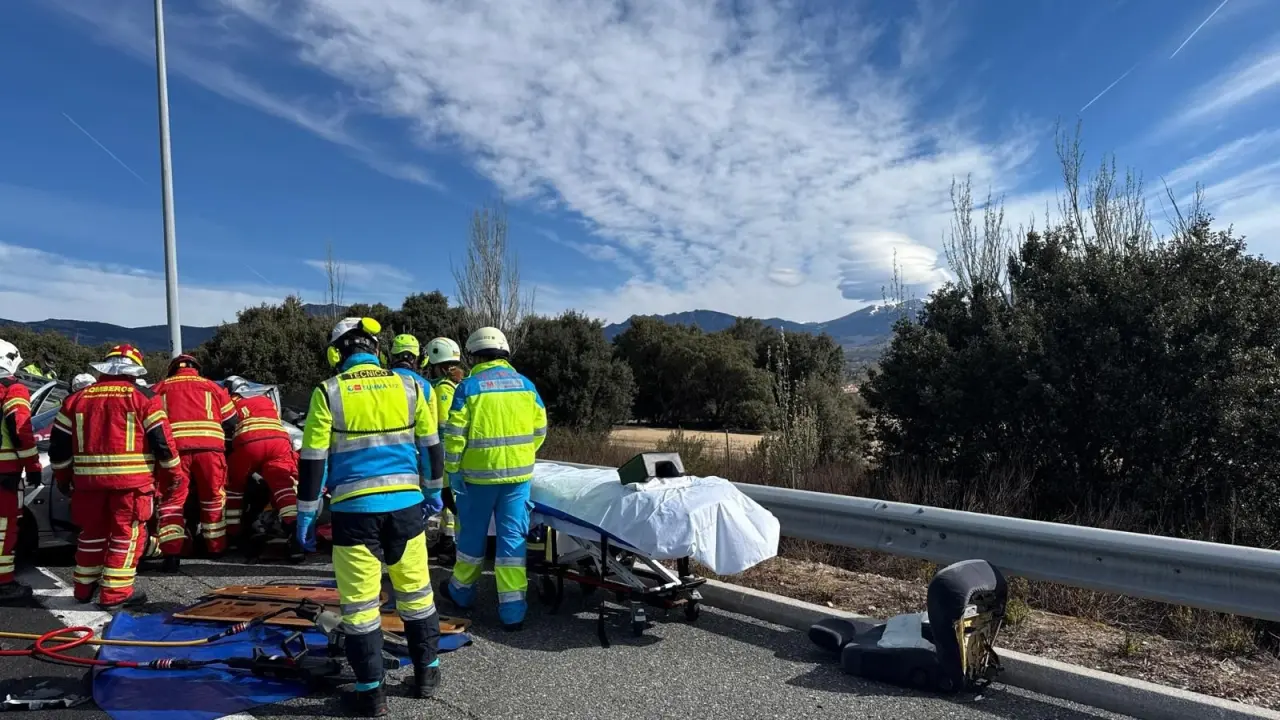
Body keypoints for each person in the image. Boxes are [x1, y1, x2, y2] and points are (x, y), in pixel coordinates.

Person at [296, 317, 445, 715]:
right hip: (406, 509)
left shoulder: (328, 392)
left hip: (354, 514)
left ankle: (371, 694)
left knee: (361, 608)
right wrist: (433, 492)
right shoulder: (411, 387)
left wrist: (306, 515)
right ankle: (427, 674)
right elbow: (431, 446)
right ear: (376, 350)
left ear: (336, 353)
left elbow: (313, 461)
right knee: (417, 594)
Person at [49, 345, 186, 609]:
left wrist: (63, 478)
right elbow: (163, 444)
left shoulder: (76, 399)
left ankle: (83, 588)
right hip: (131, 485)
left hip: (87, 484)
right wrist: (173, 476)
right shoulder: (143, 398)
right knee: (126, 535)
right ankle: (116, 594)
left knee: (91, 534)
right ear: (134, 370)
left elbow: (59, 448)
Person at [441, 327, 547, 631]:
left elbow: (454, 436)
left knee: (472, 538)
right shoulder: (526, 385)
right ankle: (513, 609)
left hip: (477, 480)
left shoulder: (468, 388)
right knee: (513, 540)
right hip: (518, 478)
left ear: (475, 355)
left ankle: (461, 592)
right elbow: (540, 429)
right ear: (505, 353)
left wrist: (452, 472)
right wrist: (521, 455)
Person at [152, 355, 237, 563]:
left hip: (175, 452)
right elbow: (231, 420)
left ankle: (172, 553)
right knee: (213, 498)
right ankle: (216, 548)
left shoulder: (159, 388)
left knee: (172, 500)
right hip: (210, 450)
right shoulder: (212, 387)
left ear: (172, 370)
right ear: (197, 369)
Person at [223, 375, 301, 562]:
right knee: (283, 486)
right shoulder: (264, 400)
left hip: (248, 443)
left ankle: (233, 532)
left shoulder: (230, 402)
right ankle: (294, 529)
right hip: (279, 441)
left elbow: (226, 427)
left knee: (234, 486)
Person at [0, 339, 41, 605]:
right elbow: (20, 430)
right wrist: (32, 466)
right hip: (4, 472)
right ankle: (3, 584)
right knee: (4, 529)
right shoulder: (12, 389)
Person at [422, 337, 464, 557]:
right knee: (450, 500)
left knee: (449, 498)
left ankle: (456, 545)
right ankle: (448, 538)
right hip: (455, 451)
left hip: (445, 451)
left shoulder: (442, 389)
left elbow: (442, 424)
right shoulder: (456, 385)